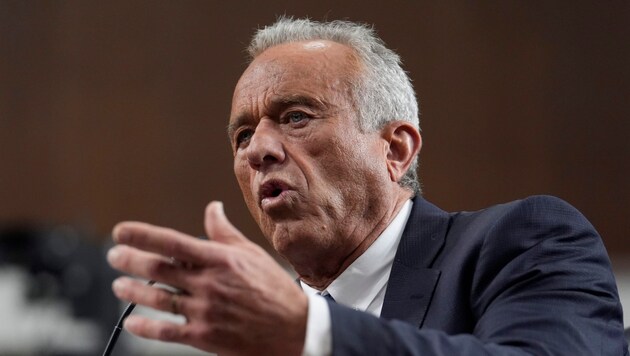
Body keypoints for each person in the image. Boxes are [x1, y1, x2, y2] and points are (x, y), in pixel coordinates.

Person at [106, 18, 628, 355]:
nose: (257, 150)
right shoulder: (255, 329)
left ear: (395, 150)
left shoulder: (525, 240)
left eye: (295, 116)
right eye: (242, 135)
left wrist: (307, 331)